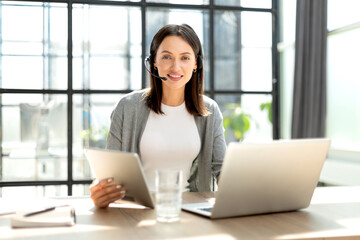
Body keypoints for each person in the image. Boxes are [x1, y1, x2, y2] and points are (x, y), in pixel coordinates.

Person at [89, 24, 226, 208]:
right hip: (137, 208)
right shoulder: (128, 107)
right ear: (154, 61)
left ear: (196, 64)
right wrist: (101, 190)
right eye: (167, 57)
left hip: (189, 208)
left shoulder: (209, 110)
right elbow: (111, 174)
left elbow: (223, 171)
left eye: (185, 58)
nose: (176, 67)